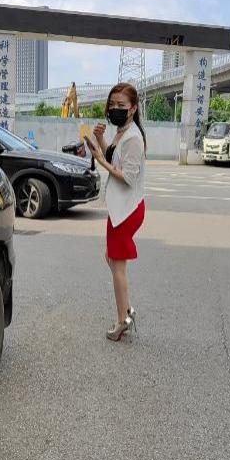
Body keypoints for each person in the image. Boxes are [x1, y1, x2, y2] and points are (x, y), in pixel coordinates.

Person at [85, 82, 146, 341]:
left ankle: (122, 321)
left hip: (127, 210)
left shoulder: (133, 138)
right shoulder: (123, 132)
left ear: (133, 109)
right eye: (112, 104)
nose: (115, 109)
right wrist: (100, 142)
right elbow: (113, 158)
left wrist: (100, 161)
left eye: (121, 105)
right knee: (111, 258)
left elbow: (127, 177)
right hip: (121, 207)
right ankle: (127, 309)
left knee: (117, 264)